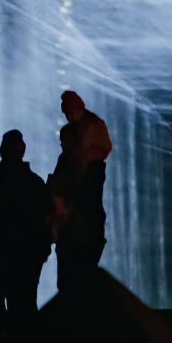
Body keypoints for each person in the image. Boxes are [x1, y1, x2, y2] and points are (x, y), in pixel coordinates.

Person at [0, 130, 53, 324]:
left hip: (6, 255)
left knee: (3, 306)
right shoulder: (35, 184)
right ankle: (24, 340)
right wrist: (43, 250)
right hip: (25, 256)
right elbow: (46, 219)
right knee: (24, 304)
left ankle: (6, 340)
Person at [48, 90, 112, 290]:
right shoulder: (83, 149)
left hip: (76, 223)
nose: (67, 117)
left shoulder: (81, 154)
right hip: (79, 223)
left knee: (73, 275)